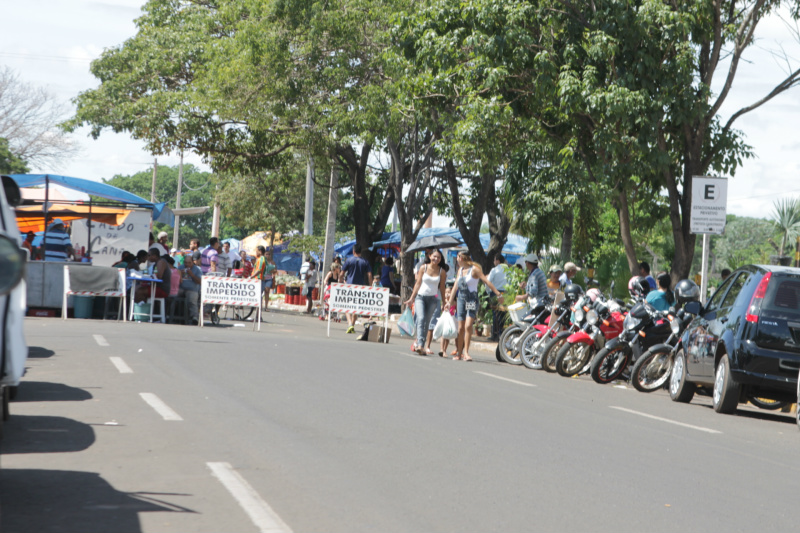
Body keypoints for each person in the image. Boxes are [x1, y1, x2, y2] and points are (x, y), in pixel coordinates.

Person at [445, 251, 501, 361]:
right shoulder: (460, 271)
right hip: (461, 300)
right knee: (460, 328)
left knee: (468, 326)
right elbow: (455, 287)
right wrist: (449, 302)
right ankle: (459, 352)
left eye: (457, 257)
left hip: (471, 299)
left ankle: (466, 352)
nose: (457, 259)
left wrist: (498, 294)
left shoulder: (474, 269)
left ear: (461, 258)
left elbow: (486, 281)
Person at [405, 249, 447, 355]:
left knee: (427, 323)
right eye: (434, 256)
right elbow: (418, 283)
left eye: (439, 257)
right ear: (429, 256)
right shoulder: (423, 267)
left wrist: (444, 302)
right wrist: (411, 298)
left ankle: (422, 346)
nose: (436, 259)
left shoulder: (442, 271)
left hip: (433, 299)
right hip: (420, 297)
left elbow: (442, 288)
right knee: (421, 318)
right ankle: (419, 344)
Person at [340, 244, 373, 333]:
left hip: (349, 286)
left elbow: (342, 273)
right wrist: (370, 286)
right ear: (360, 252)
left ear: (353, 251)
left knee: (346, 306)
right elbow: (369, 274)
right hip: (360, 287)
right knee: (356, 307)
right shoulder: (365, 262)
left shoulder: (349, 260)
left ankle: (350, 323)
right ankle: (352, 325)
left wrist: (340, 281)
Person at [487, 255, 509, 342]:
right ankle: (501, 334)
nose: (493, 262)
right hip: (505, 293)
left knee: (495, 314)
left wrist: (489, 291)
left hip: (495, 292)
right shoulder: (508, 270)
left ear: (498, 260)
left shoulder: (494, 270)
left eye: (494, 260)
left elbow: (488, 282)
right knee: (503, 314)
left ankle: (495, 334)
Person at [178, 254, 202, 325]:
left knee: (192, 299)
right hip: (181, 288)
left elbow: (200, 282)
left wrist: (192, 275)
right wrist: (179, 275)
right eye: (185, 262)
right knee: (173, 295)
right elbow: (174, 279)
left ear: (192, 262)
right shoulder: (180, 268)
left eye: (189, 263)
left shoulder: (197, 269)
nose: (187, 264)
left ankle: (194, 317)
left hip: (192, 289)